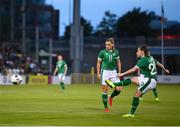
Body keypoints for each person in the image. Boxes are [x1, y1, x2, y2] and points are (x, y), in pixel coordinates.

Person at [105, 45, 169, 117]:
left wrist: (122, 74)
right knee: (132, 80)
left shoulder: (143, 60)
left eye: (138, 51)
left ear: (142, 52)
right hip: (147, 79)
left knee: (137, 94)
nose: (136, 53)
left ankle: (131, 114)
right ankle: (114, 84)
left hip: (150, 81)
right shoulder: (150, 58)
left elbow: (133, 70)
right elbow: (159, 64)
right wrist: (165, 70)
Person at [96, 37, 122, 112]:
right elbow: (98, 63)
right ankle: (106, 107)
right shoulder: (102, 52)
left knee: (119, 89)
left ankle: (111, 97)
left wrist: (119, 72)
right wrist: (98, 73)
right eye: (106, 44)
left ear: (112, 44)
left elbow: (118, 62)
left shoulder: (116, 52)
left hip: (113, 72)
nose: (106, 46)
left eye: (108, 44)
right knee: (105, 90)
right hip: (105, 72)